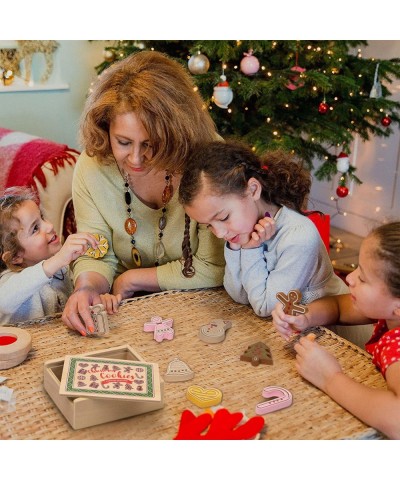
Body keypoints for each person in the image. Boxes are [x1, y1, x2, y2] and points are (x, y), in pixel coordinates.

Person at [61, 50, 225, 335]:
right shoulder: (92, 167)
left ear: (177, 134)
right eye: (123, 142)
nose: (136, 159)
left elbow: (214, 267)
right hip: (123, 306)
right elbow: (97, 252)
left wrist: (133, 279)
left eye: (151, 144)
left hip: (203, 302)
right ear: (105, 129)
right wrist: (87, 287)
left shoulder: (208, 160)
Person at [179, 140, 348, 317]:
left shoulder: (299, 236)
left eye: (223, 218)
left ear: (253, 190)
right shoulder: (241, 230)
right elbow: (240, 296)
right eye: (209, 226)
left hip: (331, 332)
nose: (220, 233)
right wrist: (239, 247)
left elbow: (266, 307)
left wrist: (251, 250)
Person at [272, 221, 400, 439]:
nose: (349, 277)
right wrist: (306, 316)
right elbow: (338, 308)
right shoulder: (388, 310)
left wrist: (330, 377)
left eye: (363, 278)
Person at [0, 186, 121, 327]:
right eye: (35, 228)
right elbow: (3, 302)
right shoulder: (9, 283)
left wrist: (98, 300)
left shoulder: (62, 270)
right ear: (15, 257)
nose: (49, 226)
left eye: (42, 218)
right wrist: (58, 260)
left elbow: (78, 302)